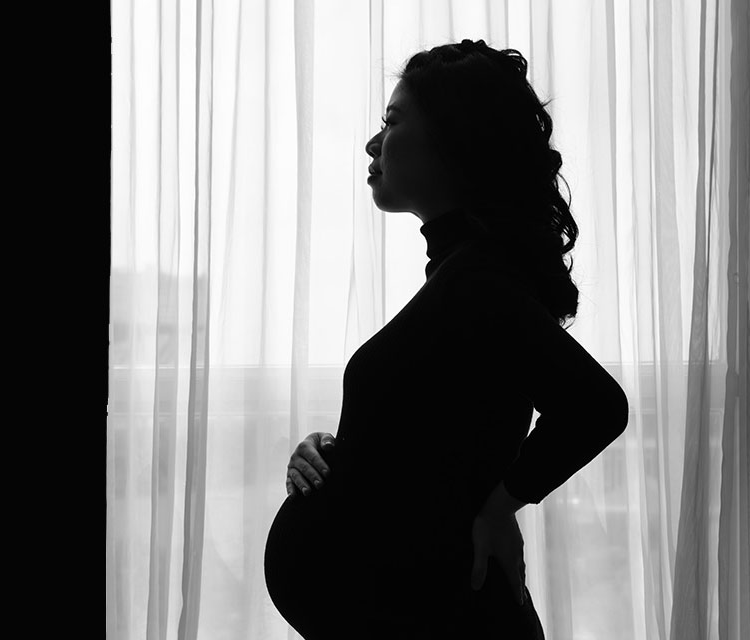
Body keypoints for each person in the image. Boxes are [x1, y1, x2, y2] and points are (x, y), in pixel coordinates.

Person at [264, 38, 629, 639]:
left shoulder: (479, 279)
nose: (372, 142)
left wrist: (504, 501)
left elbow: (597, 407)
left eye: (393, 120)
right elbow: (443, 446)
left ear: (454, 141)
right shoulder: (466, 277)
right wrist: (333, 452)